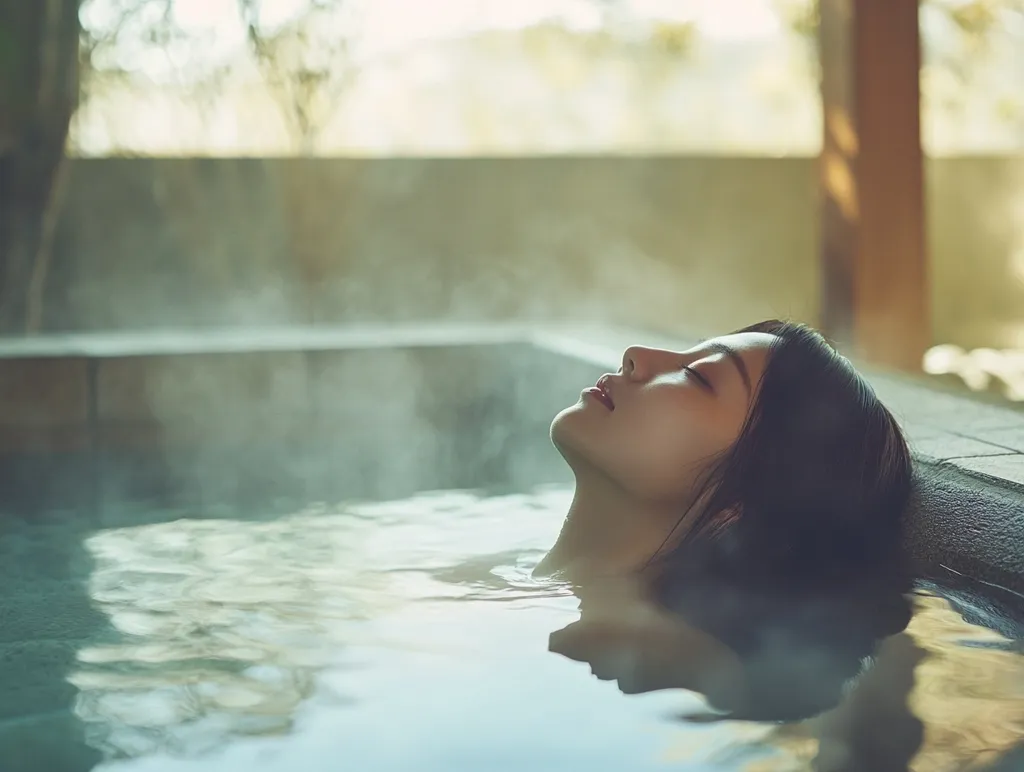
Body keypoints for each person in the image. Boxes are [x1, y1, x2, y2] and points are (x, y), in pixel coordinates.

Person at [537, 319, 917, 721]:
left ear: (739, 504)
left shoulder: (655, 657)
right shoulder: (581, 616)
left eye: (697, 376)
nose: (636, 355)